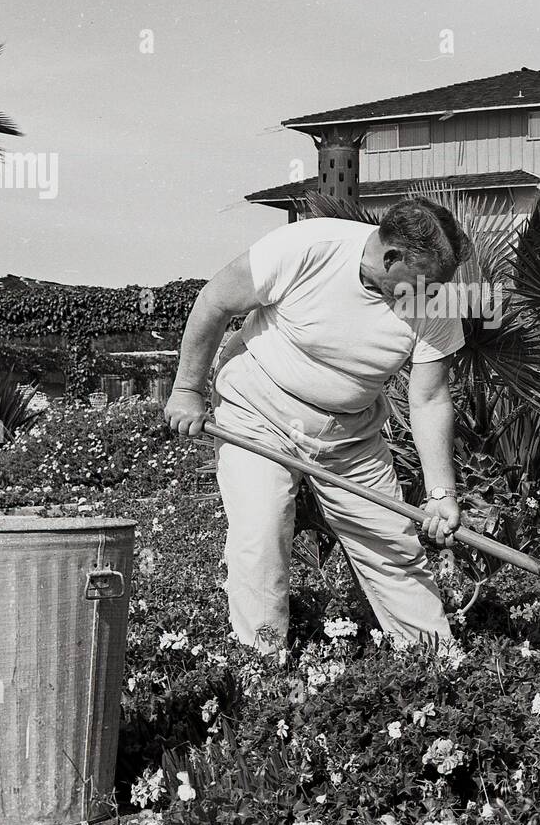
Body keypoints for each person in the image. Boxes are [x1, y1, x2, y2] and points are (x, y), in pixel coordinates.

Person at [164, 197, 472, 650]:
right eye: (425, 283)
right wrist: (187, 390)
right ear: (391, 257)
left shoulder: (436, 303)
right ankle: (261, 668)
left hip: (348, 435)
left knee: (392, 544)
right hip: (256, 411)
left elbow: (428, 398)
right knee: (262, 531)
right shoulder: (308, 246)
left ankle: (438, 663)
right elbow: (215, 302)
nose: (432, 295)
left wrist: (441, 493)